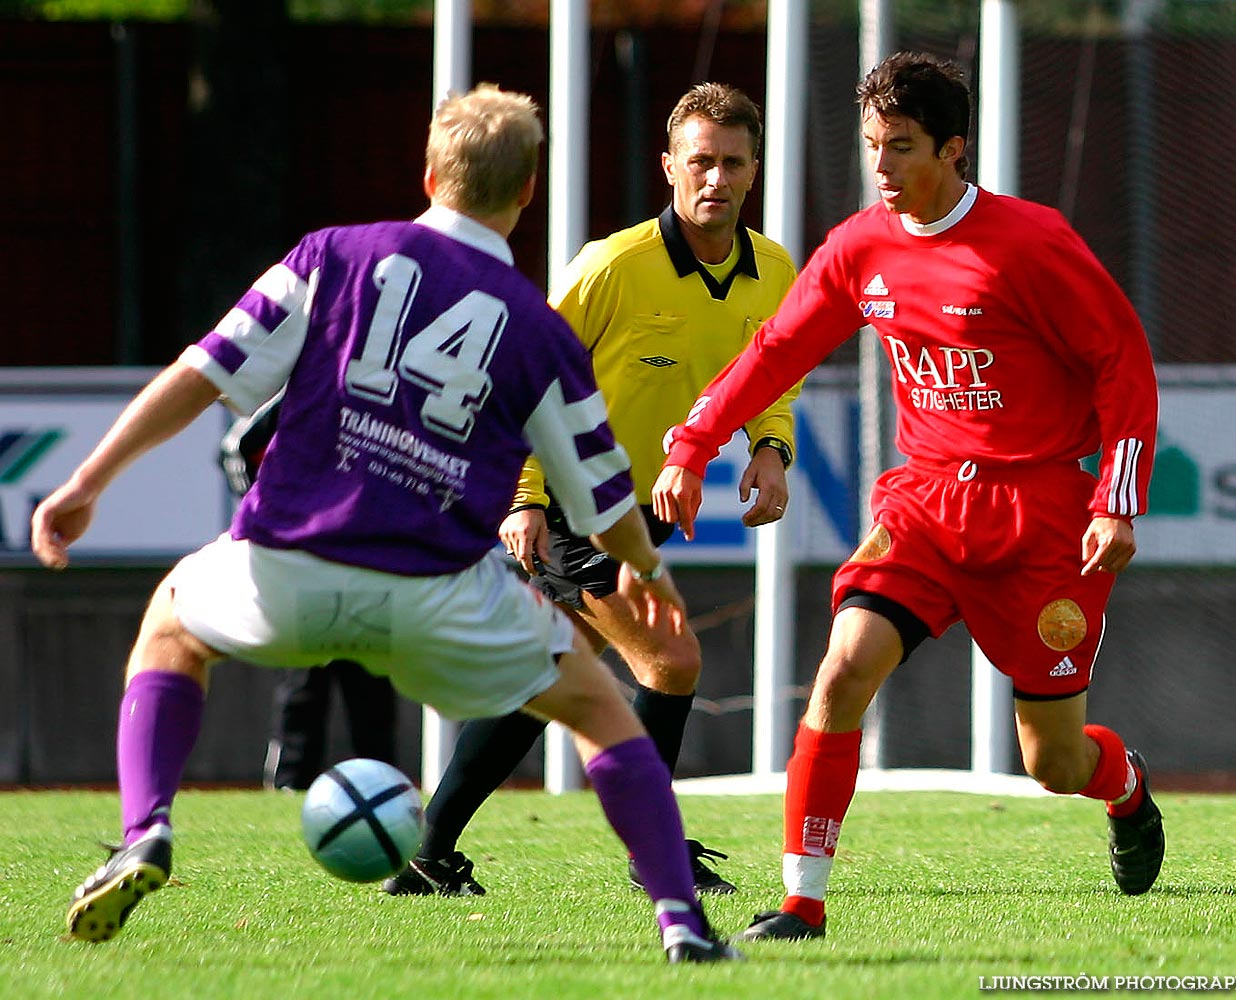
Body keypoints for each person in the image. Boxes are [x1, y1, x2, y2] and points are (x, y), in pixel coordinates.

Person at [34, 83, 740, 963]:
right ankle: (680, 922)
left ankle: (147, 830)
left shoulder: (330, 255)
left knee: (172, 627)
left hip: (285, 565)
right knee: (604, 709)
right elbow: (603, 502)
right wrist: (654, 577)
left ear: (431, 171)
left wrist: (87, 480)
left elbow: (202, 374)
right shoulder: (536, 329)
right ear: (527, 192)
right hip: (439, 592)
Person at [652, 51, 1165, 942]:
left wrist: (1117, 501)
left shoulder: (1033, 244)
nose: (880, 168)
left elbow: (1123, 361)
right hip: (923, 506)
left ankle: (1123, 786)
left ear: (954, 149)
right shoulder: (861, 246)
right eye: (870, 146)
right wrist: (694, 445)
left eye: (901, 147)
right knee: (843, 669)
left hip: (1042, 516)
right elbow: (778, 348)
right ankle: (804, 903)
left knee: (1051, 761)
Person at [382, 82, 800, 899]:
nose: (715, 178)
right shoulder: (612, 265)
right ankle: (654, 857)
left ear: (754, 172)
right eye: (700, 162)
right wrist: (523, 497)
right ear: (670, 167)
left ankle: (428, 855)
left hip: (643, 512)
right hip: (578, 504)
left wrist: (771, 448)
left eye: (732, 163)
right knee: (673, 661)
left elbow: (767, 375)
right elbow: (520, 375)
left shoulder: (774, 268)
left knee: (537, 678)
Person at [221, 398, 402, 791]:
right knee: (304, 680)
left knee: (370, 685)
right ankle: (288, 785)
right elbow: (236, 448)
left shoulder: (383, 392)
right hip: (306, 557)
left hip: (366, 558)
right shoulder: (299, 388)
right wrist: (274, 518)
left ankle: (383, 789)